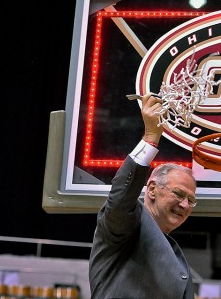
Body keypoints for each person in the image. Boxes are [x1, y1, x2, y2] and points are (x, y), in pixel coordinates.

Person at [89, 94, 198, 299]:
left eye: (191, 200)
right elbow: (121, 196)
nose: (185, 204)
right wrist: (150, 138)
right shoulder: (128, 224)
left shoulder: (175, 255)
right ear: (152, 189)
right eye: (178, 194)